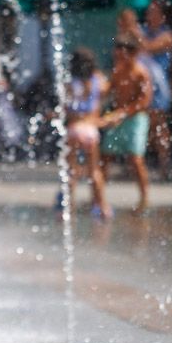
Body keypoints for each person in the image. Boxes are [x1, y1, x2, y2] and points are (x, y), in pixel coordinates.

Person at [100, 34, 153, 213]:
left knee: (135, 159)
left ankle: (144, 199)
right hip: (118, 117)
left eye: (121, 53)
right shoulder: (118, 71)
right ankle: (98, 197)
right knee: (105, 157)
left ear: (132, 53)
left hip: (135, 119)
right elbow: (108, 90)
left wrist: (123, 113)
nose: (118, 57)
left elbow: (145, 101)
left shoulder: (141, 73)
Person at [128, 1, 172, 178]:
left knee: (158, 124)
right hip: (141, 84)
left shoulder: (166, 35)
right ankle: (137, 165)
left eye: (153, 13)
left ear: (162, 16)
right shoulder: (144, 31)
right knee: (141, 124)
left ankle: (165, 165)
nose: (149, 16)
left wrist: (135, 31)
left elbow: (147, 47)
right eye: (148, 12)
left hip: (158, 86)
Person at [63, 48, 111, 219]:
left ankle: (68, 207)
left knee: (71, 170)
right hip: (90, 130)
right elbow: (107, 91)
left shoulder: (70, 83)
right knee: (94, 171)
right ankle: (102, 205)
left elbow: (66, 108)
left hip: (74, 129)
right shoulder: (98, 80)